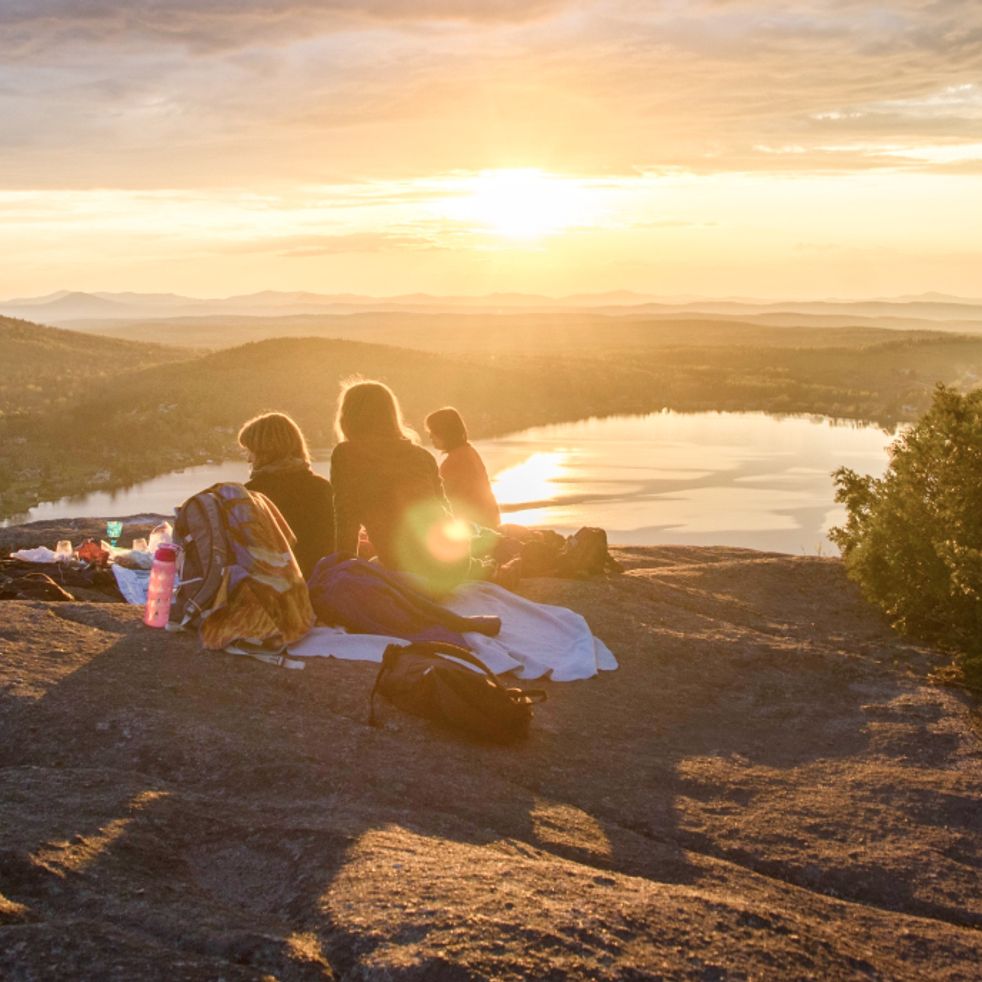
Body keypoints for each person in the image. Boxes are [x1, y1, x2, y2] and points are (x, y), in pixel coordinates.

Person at [331, 380, 477, 594]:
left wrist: (341, 575)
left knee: (367, 562)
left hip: (409, 569)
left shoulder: (346, 454)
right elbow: (446, 511)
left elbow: (346, 521)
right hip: (455, 564)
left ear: (348, 416)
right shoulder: (423, 455)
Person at [238, 411, 334, 578]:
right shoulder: (322, 487)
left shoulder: (253, 494)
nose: (248, 460)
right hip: (323, 583)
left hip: (277, 590)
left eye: (250, 451)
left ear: (264, 451)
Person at [425, 406, 501, 529]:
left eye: (433, 431)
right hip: (489, 521)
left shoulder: (454, 462)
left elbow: (440, 499)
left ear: (444, 432)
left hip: (474, 528)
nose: (430, 437)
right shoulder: (469, 452)